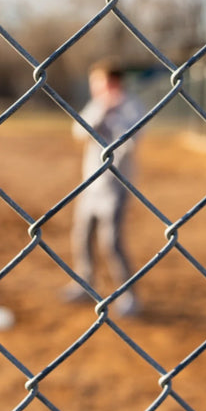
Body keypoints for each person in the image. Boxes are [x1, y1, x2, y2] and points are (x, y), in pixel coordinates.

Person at [65, 58, 146, 316]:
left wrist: (116, 118)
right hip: (91, 182)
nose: (95, 88)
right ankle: (85, 281)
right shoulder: (97, 105)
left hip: (117, 185)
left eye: (98, 83)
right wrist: (102, 111)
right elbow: (78, 132)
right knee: (82, 235)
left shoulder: (131, 106)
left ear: (113, 82)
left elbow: (133, 139)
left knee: (111, 241)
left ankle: (128, 294)